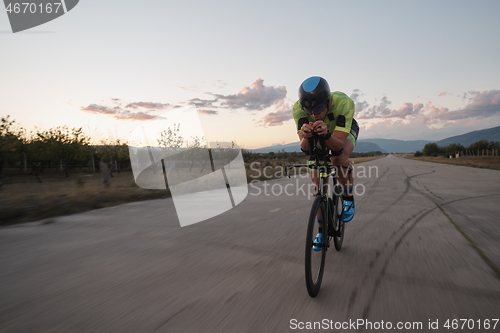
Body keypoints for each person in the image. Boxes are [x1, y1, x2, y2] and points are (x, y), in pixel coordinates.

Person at [292, 76, 359, 251]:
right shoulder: (298, 110)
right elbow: (305, 149)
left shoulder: (344, 103)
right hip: (318, 131)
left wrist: (328, 135)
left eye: (319, 107)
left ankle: (348, 197)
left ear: (328, 101)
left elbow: (338, 146)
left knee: (338, 158)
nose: (314, 113)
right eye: (309, 109)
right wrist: (306, 136)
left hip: (340, 129)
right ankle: (321, 231)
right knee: (317, 184)